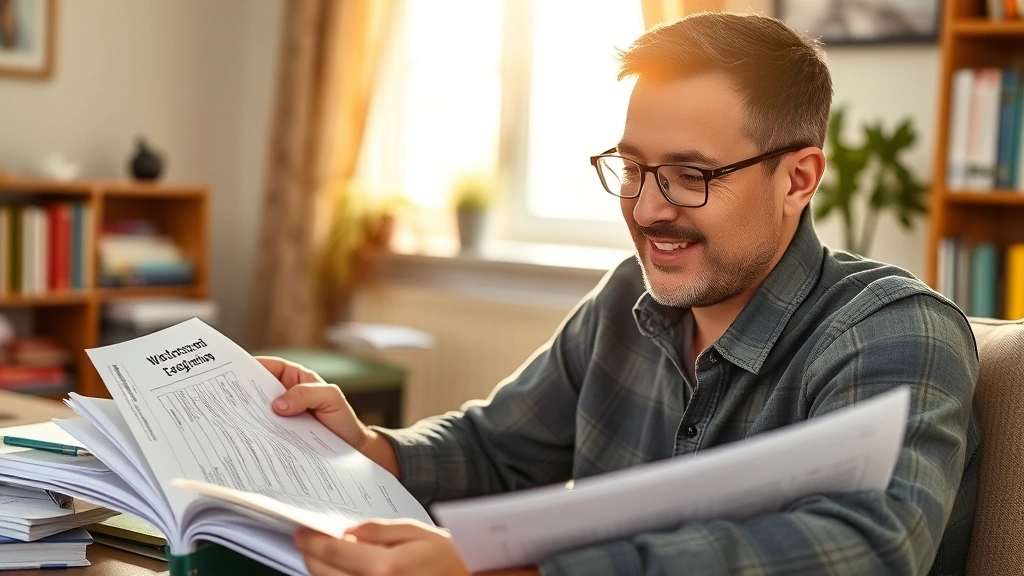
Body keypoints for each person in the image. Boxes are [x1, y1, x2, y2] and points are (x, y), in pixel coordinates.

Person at [259, 11, 979, 576]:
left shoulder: (894, 332)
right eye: (633, 167)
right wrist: (369, 446)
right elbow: (496, 449)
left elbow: (871, 551)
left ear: (798, 179)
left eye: (690, 175)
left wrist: (527, 569)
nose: (645, 209)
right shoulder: (626, 301)